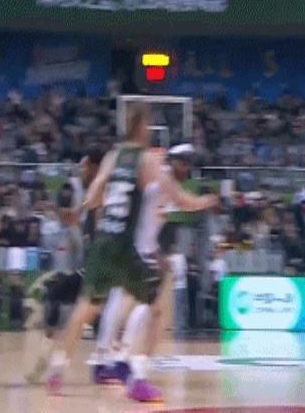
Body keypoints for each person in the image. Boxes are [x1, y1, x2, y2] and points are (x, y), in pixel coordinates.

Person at [46, 102, 217, 402]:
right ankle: (136, 377)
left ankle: (58, 371)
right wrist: (206, 201)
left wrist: (80, 211)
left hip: (103, 240)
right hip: (125, 248)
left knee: (85, 310)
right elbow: (180, 199)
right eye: (148, 125)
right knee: (157, 307)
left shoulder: (113, 156)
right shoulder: (146, 160)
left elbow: (95, 193)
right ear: (141, 127)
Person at [24, 147, 103, 383]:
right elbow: (69, 217)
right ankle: (46, 360)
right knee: (57, 300)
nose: (83, 170)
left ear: (95, 167)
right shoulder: (85, 194)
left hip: (100, 268)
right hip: (84, 266)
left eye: (86, 166)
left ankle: (107, 363)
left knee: (96, 315)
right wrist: (56, 207)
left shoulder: (103, 194)